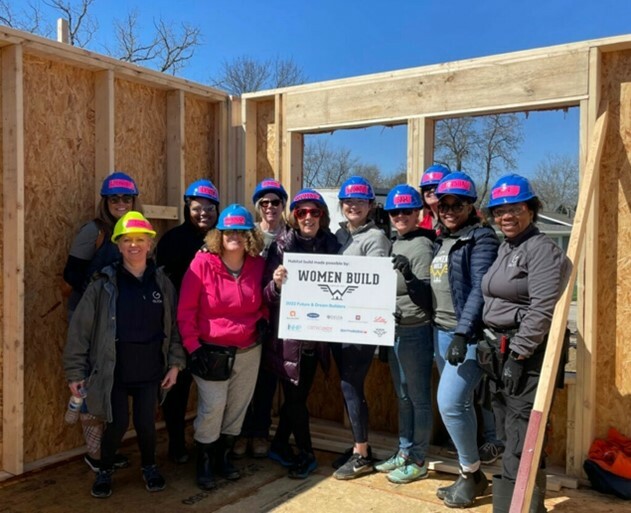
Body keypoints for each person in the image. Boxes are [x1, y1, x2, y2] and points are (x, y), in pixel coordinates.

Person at [63, 211, 186, 499]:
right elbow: (79, 332)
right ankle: (104, 470)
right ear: (118, 245)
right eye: (127, 240)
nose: (134, 245)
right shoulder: (102, 285)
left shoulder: (162, 283)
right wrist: (75, 373)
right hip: (114, 370)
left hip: (150, 370)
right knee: (117, 424)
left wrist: (176, 364)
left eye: (140, 239)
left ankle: (150, 467)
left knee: (146, 424)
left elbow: (176, 329)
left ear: (150, 244)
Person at [481, 174, 571, 513]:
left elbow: (542, 308)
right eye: (500, 210)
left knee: (522, 435)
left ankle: (518, 508)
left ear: (531, 210)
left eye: (516, 208)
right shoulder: (507, 247)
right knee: (509, 431)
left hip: (526, 355)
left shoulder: (541, 250)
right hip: (499, 351)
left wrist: (518, 355)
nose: (507, 216)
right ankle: (522, 506)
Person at [177, 204, 268, 491]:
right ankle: (203, 461)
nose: (235, 236)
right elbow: (185, 310)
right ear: (219, 233)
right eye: (229, 230)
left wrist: (264, 319)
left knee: (237, 408)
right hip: (211, 350)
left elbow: (265, 301)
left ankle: (223, 457)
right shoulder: (202, 263)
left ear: (250, 236)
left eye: (241, 231)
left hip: (248, 350)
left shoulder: (258, 265)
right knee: (213, 407)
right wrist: (193, 347)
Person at [62, 171, 141, 472]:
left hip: (119, 321)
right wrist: (90, 308)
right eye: (114, 198)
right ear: (104, 202)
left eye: (126, 198)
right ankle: (95, 455)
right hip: (92, 320)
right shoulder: (93, 232)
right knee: (91, 387)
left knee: (112, 386)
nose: (120, 203)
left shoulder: (135, 231)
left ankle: (106, 449)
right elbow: (70, 278)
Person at [430, 171, 499, 508]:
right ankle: (470, 474)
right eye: (444, 203)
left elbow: (480, 289)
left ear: (471, 206)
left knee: (450, 404)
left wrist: (461, 333)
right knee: (460, 405)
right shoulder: (441, 239)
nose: (450, 209)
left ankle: (471, 474)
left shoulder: (482, 239)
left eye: (458, 203)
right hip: (440, 333)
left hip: (466, 336)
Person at [263, 189, 340, 479]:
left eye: (314, 212)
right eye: (301, 212)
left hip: (315, 339)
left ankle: (280, 444)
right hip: (288, 340)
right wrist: (277, 284)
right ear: (294, 216)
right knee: (295, 400)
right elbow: (266, 296)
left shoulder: (330, 244)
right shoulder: (281, 246)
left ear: (323, 215)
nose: (308, 217)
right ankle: (306, 454)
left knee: (298, 397)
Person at [332, 176, 391, 480]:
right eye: (348, 201)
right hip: (338, 325)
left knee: (351, 384)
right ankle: (357, 447)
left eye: (359, 201)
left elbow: (377, 284)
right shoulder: (341, 236)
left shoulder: (376, 238)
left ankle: (362, 452)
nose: (353, 206)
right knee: (347, 384)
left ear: (370, 205)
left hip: (361, 327)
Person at [374, 184, 435, 484]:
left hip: (415, 331)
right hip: (394, 331)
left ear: (417, 214)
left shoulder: (422, 246)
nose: (400, 216)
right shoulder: (394, 243)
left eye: (406, 211)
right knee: (403, 396)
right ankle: (404, 451)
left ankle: (419, 459)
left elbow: (426, 297)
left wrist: (409, 276)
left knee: (418, 397)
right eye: (395, 212)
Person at [156, 179, 220, 464]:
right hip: (180, 327)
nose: (203, 213)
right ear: (187, 208)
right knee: (178, 388)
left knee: (214, 390)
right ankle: (176, 443)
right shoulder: (172, 240)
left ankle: (210, 444)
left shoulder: (223, 239)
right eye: (197, 208)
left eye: (209, 208)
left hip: (213, 327)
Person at [234, 178, 288, 459]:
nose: (270, 207)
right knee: (245, 381)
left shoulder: (291, 235)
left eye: (275, 202)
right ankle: (242, 432)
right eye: (264, 203)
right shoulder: (248, 234)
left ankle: (259, 432)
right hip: (250, 317)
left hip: (280, 318)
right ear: (257, 207)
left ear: (283, 205)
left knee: (267, 380)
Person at [418, 164, 449, 231]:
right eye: (427, 187)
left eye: (436, 186)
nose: (432, 190)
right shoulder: (422, 227)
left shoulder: (457, 222)